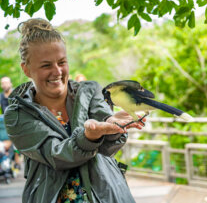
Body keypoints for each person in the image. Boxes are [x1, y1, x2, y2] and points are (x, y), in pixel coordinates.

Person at [4, 18, 144, 203]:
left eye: (62, 62)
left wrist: (112, 128)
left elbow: (107, 148)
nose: (57, 71)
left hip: (107, 194)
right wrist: (89, 136)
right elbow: (56, 155)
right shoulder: (17, 114)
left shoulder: (89, 91)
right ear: (27, 69)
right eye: (46, 65)